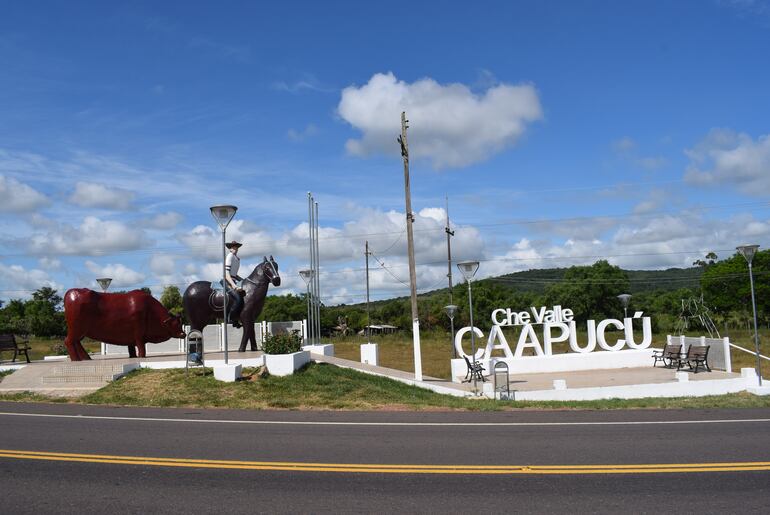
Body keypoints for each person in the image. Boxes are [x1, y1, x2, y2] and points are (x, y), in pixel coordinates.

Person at [224, 240, 245, 328]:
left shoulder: (237, 259)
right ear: (230, 248)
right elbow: (226, 274)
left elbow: (235, 275)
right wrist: (234, 286)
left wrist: (244, 280)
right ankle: (230, 319)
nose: (235, 248)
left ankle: (237, 318)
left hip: (233, 280)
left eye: (236, 247)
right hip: (227, 281)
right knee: (238, 299)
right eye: (233, 247)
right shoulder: (230, 256)